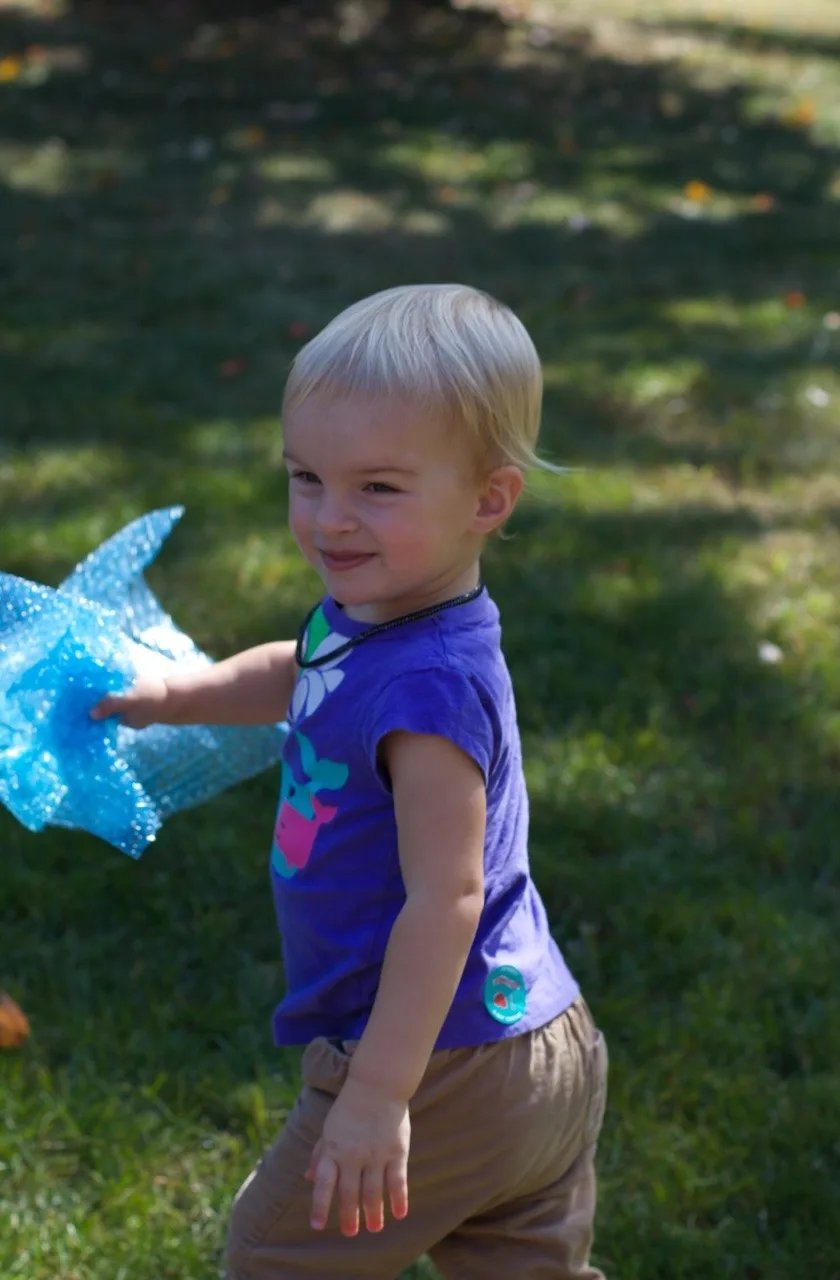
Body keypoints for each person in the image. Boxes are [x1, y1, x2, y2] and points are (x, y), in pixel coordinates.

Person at [91, 284, 608, 1279]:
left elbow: (446, 897)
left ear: (488, 499)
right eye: (306, 477)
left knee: (278, 1254)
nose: (330, 518)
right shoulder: (375, 612)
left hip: (434, 1056)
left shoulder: (426, 691)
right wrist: (172, 692)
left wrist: (376, 1093)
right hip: (537, 1040)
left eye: (377, 487)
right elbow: (300, 668)